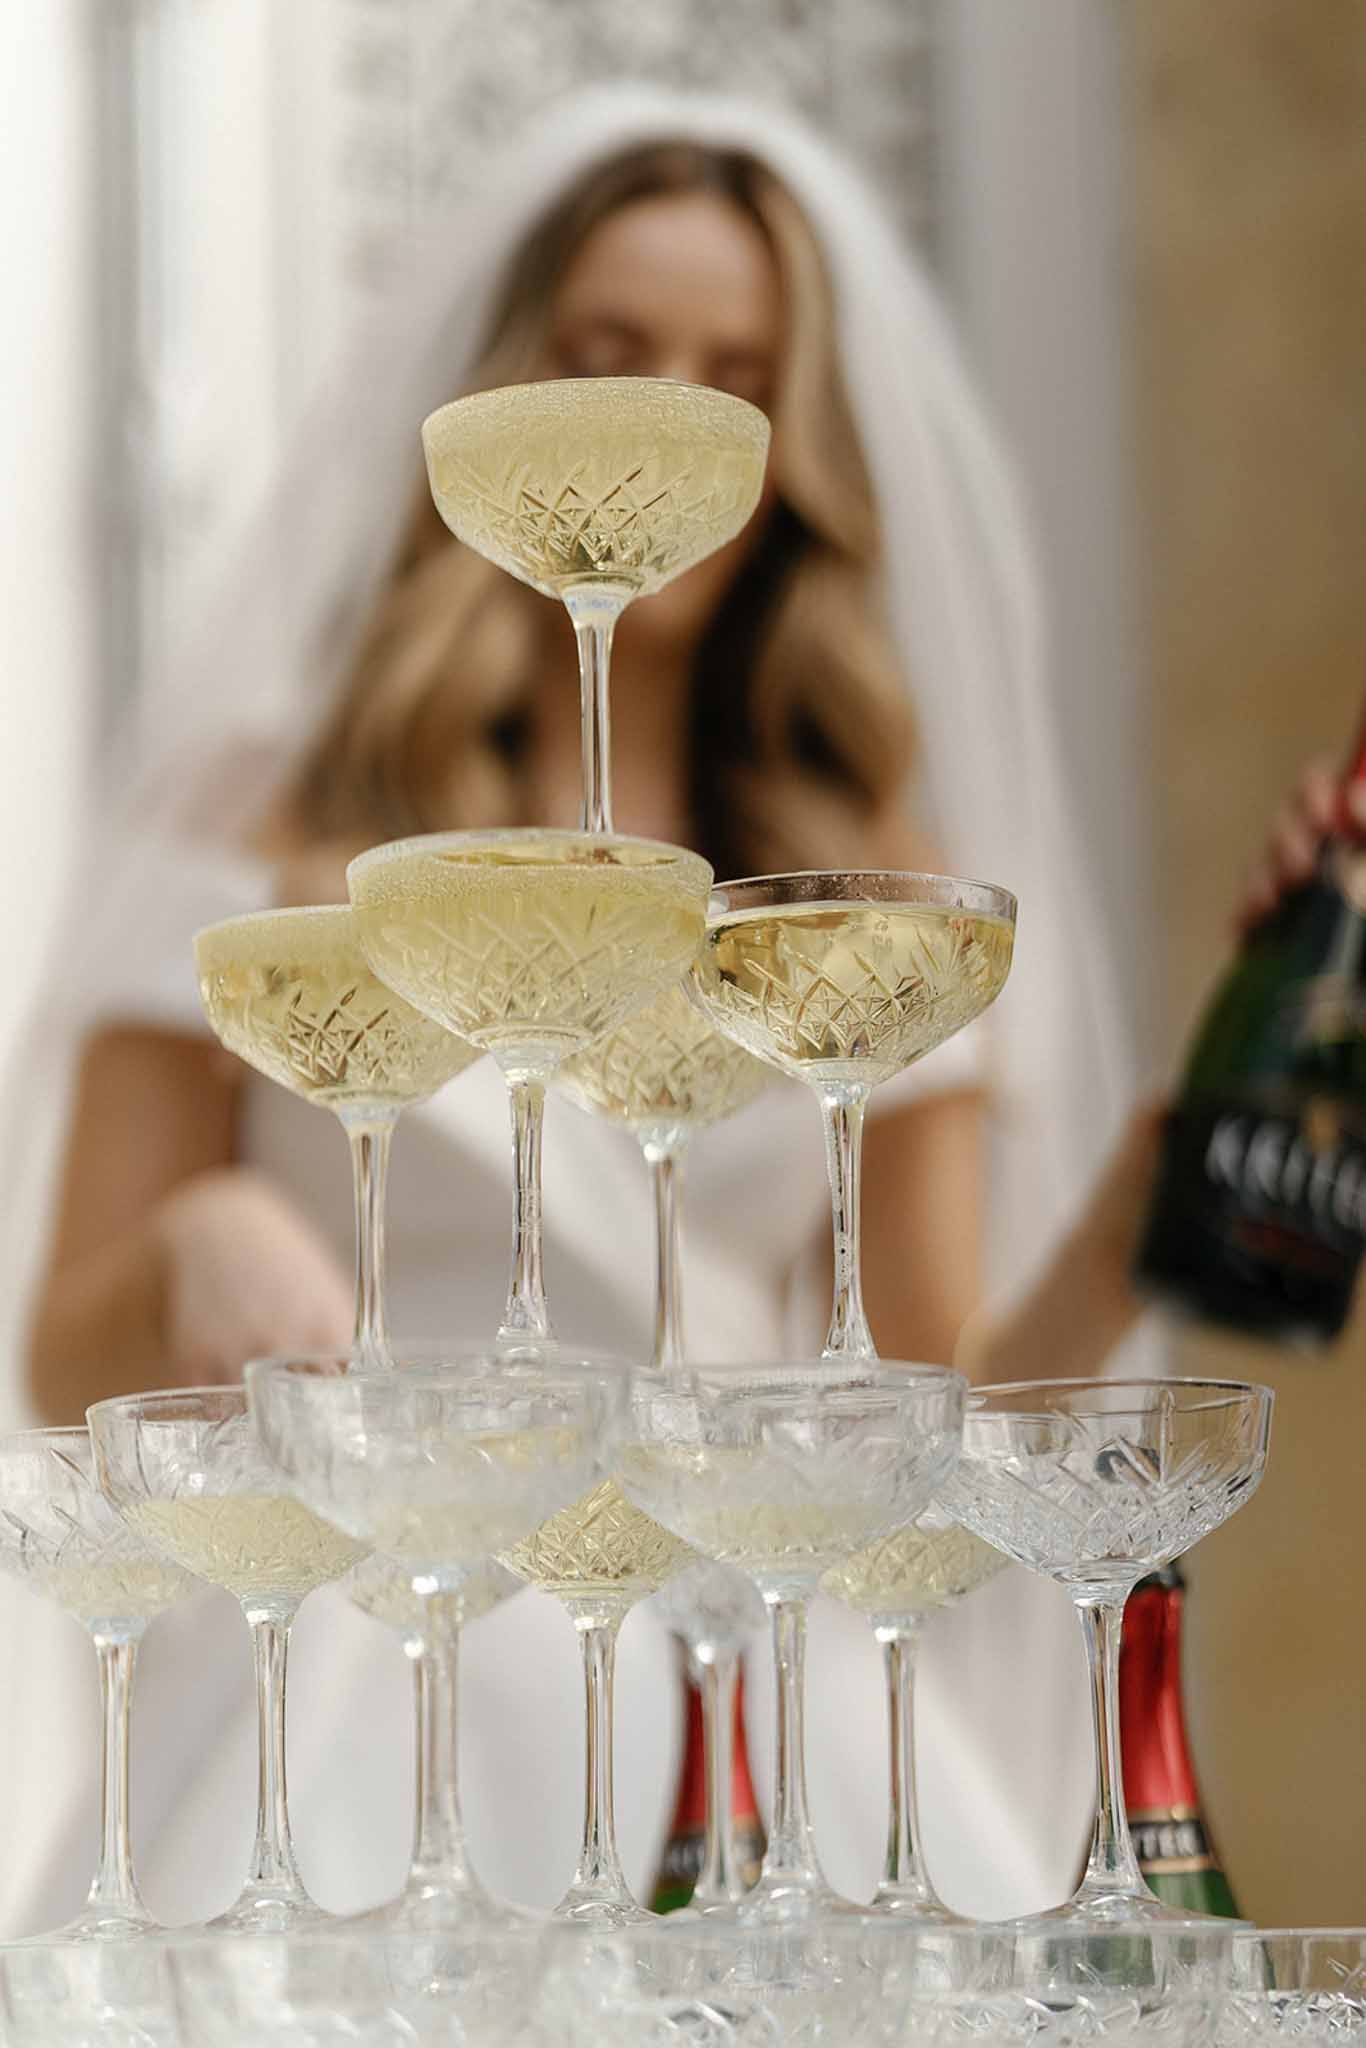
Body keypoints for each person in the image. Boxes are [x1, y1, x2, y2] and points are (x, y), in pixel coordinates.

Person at [4, 89, 1158, 1933]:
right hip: (364, 1658)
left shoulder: (863, 867)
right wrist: (202, 1237)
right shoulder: (260, 813)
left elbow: (945, 1413)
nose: (647, 431)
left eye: (729, 378)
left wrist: (1145, 1199)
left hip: (743, 1673)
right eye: (604, 356)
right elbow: (66, 1365)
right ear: (494, 393)